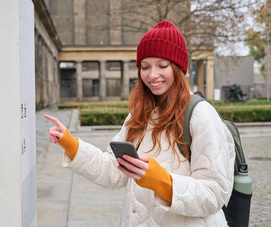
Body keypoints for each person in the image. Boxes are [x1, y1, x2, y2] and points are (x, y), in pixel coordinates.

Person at [45, 20, 235, 226]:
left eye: (163, 65)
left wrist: (162, 181)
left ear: (179, 68)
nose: (152, 75)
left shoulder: (201, 115)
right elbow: (113, 171)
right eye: (145, 67)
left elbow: (215, 193)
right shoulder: (139, 114)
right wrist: (71, 145)